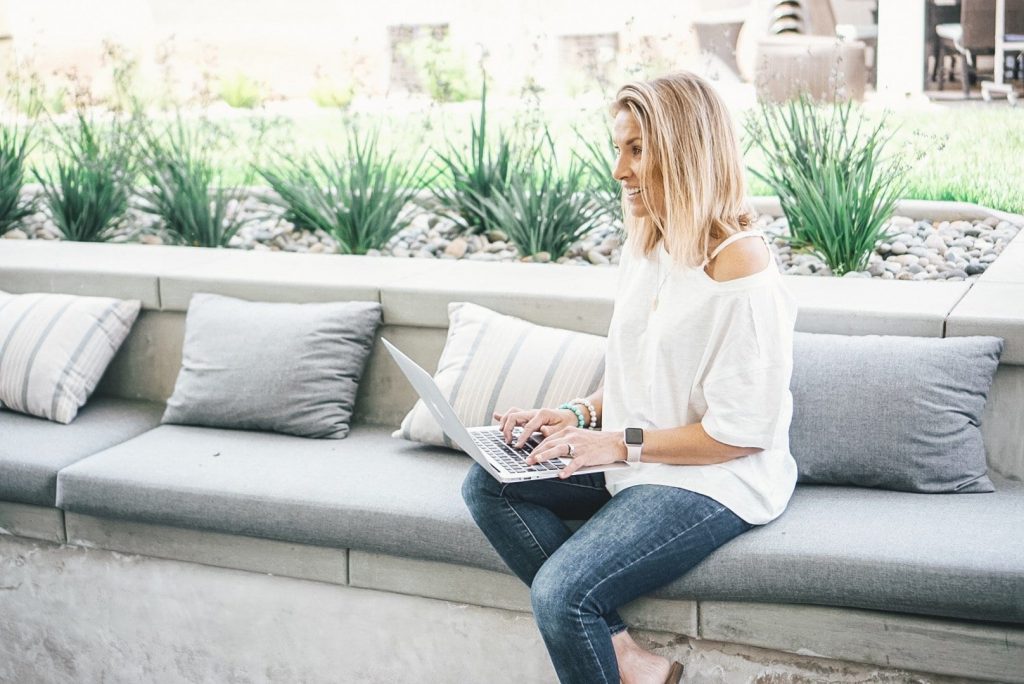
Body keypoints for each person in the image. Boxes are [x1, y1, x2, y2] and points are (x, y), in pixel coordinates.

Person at [461, 71, 800, 684]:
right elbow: (644, 376)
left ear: (687, 149)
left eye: (637, 149)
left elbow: (743, 433)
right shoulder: (650, 242)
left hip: (715, 478)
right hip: (639, 456)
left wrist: (618, 443)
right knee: (490, 484)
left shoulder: (739, 265)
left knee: (563, 593)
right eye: (618, 148)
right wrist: (577, 416)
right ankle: (625, 657)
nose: (619, 169)